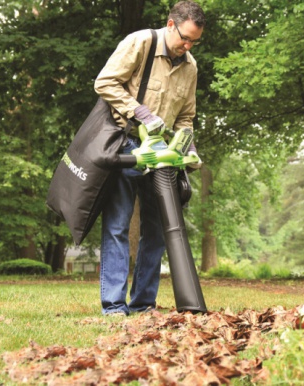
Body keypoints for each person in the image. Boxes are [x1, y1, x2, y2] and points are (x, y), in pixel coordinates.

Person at [93, 1, 205, 316]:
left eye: (194, 41)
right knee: (117, 224)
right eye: (185, 37)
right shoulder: (140, 43)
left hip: (162, 155)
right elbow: (104, 82)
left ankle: (142, 304)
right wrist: (139, 111)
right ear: (171, 24)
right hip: (126, 144)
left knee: (157, 228)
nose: (188, 45)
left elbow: (186, 117)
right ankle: (113, 305)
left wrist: (189, 148)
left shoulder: (190, 66)